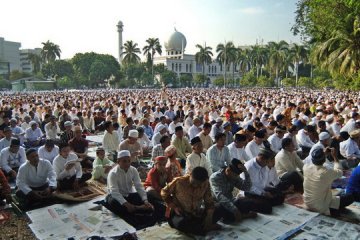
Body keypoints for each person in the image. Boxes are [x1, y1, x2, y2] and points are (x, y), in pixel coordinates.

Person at [161, 167, 223, 235]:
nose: (195, 185)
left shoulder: (205, 184)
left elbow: (209, 201)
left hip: (195, 213)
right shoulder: (179, 182)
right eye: (193, 182)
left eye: (198, 184)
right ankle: (203, 227)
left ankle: (202, 226)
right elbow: (164, 192)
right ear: (190, 174)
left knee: (220, 208)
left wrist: (209, 216)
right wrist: (173, 206)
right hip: (178, 214)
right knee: (182, 224)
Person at [105, 150, 156, 228]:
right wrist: (127, 204)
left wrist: (145, 201)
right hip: (115, 196)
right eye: (124, 161)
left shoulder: (133, 170)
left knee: (149, 197)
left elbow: (139, 186)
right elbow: (114, 192)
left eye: (129, 161)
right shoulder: (113, 173)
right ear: (118, 161)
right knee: (114, 203)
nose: (127, 163)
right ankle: (140, 208)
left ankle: (136, 208)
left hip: (129, 195)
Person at [303, 148, 354, 216]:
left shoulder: (305, 167)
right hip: (321, 207)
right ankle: (333, 211)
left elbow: (320, 165)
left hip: (307, 203)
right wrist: (335, 156)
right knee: (350, 197)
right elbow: (340, 172)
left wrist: (324, 155)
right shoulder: (325, 172)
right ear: (324, 159)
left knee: (337, 194)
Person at [210, 158, 258, 223]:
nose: (236, 177)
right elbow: (219, 196)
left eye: (237, 175)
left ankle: (240, 215)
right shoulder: (215, 177)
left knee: (250, 203)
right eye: (235, 175)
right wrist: (235, 210)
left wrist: (245, 172)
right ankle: (243, 215)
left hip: (232, 201)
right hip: (220, 203)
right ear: (228, 170)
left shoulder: (233, 176)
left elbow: (247, 188)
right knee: (225, 213)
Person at [243, 148, 286, 214]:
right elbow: (248, 187)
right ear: (261, 158)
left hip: (263, 191)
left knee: (281, 196)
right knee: (267, 208)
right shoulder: (248, 167)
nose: (267, 164)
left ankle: (265, 201)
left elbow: (265, 183)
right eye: (267, 162)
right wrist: (262, 193)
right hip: (250, 193)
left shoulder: (264, 165)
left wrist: (268, 192)